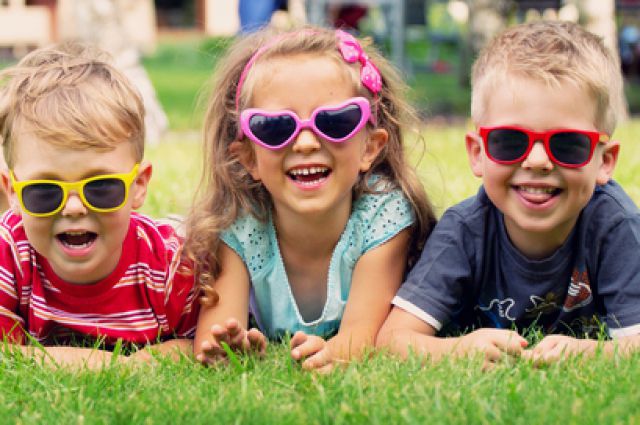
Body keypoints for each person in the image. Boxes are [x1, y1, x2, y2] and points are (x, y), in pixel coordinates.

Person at [377, 21, 640, 368]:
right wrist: (459, 351)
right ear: (478, 153)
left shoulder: (615, 227)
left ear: (604, 161)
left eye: (568, 145)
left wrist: (592, 353)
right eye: (510, 141)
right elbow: (393, 339)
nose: (537, 161)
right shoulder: (464, 231)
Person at [186, 26, 436, 371]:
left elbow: (360, 338)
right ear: (248, 158)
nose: (305, 143)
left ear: (370, 147)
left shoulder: (385, 217)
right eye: (275, 128)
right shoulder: (238, 226)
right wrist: (229, 349)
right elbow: (214, 337)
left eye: (335, 122)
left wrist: (331, 353)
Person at [0, 43, 200, 369]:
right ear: (13, 193)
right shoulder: (10, 253)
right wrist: (117, 366)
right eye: (44, 191)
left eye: (101, 187)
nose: (74, 208)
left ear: (138, 186)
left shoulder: (169, 266)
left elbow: (201, 343)